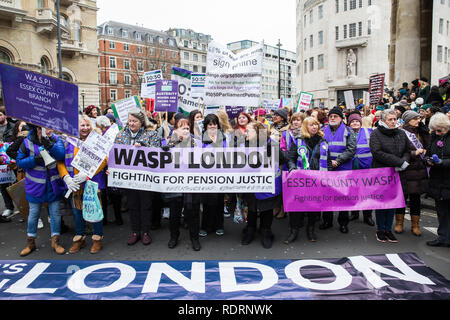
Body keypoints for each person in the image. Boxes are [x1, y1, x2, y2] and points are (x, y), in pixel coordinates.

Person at [57, 115, 108, 254]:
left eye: (87, 125)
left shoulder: (96, 140)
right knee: (77, 212)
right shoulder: (67, 141)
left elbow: (104, 159)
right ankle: (80, 238)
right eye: (82, 125)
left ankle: (97, 239)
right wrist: (66, 177)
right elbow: (60, 161)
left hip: (92, 183)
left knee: (95, 211)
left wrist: (87, 174)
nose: (85, 128)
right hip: (74, 184)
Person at [16, 125, 66, 256]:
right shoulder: (27, 142)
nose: (47, 131)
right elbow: (19, 162)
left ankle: (56, 241)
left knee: (55, 214)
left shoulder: (56, 140)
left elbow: (61, 155)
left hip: (53, 185)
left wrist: (50, 145)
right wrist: (34, 160)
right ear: (36, 129)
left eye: (49, 128)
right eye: (42, 129)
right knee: (33, 215)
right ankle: (30, 242)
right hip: (35, 185)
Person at [115, 110, 161, 246]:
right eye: (129, 121)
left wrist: (144, 147)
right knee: (133, 205)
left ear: (141, 122)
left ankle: (145, 232)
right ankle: (135, 231)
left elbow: (157, 152)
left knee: (146, 205)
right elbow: (115, 153)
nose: (131, 123)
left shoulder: (151, 134)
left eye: (134, 121)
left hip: (146, 176)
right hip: (129, 178)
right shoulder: (121, 135)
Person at [240, 122, 287, 248]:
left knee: (267, 209)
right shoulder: (244, 144)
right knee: (252, 208)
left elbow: (283, 159)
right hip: (250, 184)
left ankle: (266, 231)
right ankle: (250, 230)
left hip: (268, 185)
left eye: (248, 131)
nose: (245, 133)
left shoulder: (272, 145)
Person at [286, 117, 332, 243]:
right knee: (296, 206)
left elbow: (328, 160)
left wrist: (329, 176)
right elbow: (291, 158)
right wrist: (292, 168)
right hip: (301, 179)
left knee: (313, 205)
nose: (315, 127)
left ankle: (311, 229)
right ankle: (293, 230)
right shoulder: (298, 141)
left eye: (316, 125)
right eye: (311, 125)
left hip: (317, 179)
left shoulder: (323, 141)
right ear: (306, 126)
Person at [370, 109, 411, 243]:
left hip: (397, 173)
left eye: (395, 119)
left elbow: (407, 150)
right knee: (382, 203)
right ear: (383, 121)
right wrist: (399, 162)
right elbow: (377, 152)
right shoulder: (376, 133)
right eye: (390, 119)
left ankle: (388, 229)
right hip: (382, 172)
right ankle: (380, 229)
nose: (393, 122)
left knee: (393, 202)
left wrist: (404, 161)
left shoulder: (401, 133)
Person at [162, 116, 202, 251]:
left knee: (193, 213)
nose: (185, 129)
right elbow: (161, 151)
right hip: (175, 184)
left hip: (191, 184)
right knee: (175, 213)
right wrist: (173, 142)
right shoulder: (168, 141)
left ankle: (194, 237)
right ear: (175, 129)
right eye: (182, 126)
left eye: (187, 127)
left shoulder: (196, 143)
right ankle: (174, 236)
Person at [320, 107, 357, 233]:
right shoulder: (323, 131)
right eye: (331, 116)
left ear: (341, 118)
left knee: (343, 196)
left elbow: (351, 149)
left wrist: (338, 161)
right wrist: (328, 162)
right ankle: (327, 221)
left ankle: (343, 222)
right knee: (326, 196)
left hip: (343, 168)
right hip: (327, 169)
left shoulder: (348, 131)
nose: (332, 118)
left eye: (335, 116)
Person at [394, 110, 430, 236]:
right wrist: (414, 153)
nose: (418, 120)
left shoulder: (421, 132)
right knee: (402, 198)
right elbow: (398, 151)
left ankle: (415, 225)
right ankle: (399, 223)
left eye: (419, 118)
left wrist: (424, 130)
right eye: (415, 119)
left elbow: (428, 146)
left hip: (419, 170)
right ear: (408, 120)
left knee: (416, 199)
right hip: (406, 169)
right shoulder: (400, 132)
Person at [200, 114, 227, 237]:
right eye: (210, 124)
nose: (212, 126)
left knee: (219, 201)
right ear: (206, 126)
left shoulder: (223, 137)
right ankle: (205, 226)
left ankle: (219, 225)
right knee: (206, 202)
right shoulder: (200, 138)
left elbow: (226, 153)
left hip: (220, 173)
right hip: (206, 174)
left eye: (214, 124)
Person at [425, 113, 450, 247]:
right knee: (441, 211)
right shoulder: (434, 138)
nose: (437, 132)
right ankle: (443, 237)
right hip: (437, 180)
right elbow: (428, 153)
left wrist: (442, 162)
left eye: (439, 130)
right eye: (435, 130)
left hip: (448, 178)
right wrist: (427, 160)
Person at [347, 111, 375, 226]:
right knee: (353, 191)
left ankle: (367, 216)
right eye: (352, 122)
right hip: (351, 167)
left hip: (366, 168)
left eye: (356, 121)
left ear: (360, 122)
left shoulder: (369, 132)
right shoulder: (346, 133)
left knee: (367, 193)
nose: (354, 123)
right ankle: (354, 213)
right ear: (349, 124)